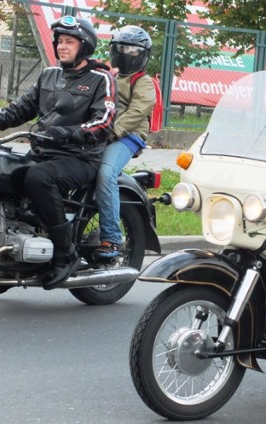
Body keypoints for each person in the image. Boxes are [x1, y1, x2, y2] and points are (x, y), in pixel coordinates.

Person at [0, 16, 116, 294]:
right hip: (43, 152)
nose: (62, 47)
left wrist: (71, 133)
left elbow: (105, 120)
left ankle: (66, 254)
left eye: (69, 42)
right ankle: (8, 262)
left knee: (38, 178)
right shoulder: (49, 74)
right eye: (60, 41)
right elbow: (20, 109)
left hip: (80, 157)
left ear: (84, 46)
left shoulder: (101, 78)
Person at [94, 25, 156, 259]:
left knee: (106, 173)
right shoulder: (108, 77)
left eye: (133, 50)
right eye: (123, 48)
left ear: (142, 54)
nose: (128, 53)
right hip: (101, 132)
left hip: (129, 136)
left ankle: (111, 238)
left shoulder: (142, 81)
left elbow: (139, 111)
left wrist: (113, 132)